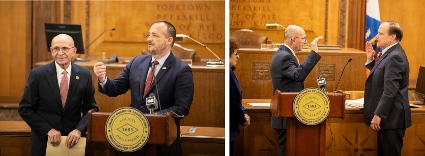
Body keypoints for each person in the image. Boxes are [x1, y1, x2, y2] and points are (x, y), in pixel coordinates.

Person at [93, 21, 194, 156]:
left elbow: (182, 108)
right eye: (148, 35)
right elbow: (116, 88)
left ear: (169, 40)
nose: (149, 39)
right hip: (132, 139)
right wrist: (102, 79)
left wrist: (152, 118)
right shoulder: (136, 62)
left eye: (155, 35)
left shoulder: (181, 70)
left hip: (162, 143)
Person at [18, 34, 99, 156]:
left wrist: (79, 130)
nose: (60, 53)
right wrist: (48, 130)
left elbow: (91, 108)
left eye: (65, 48)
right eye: (56, 49)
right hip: (44, 140)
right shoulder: (38, 74)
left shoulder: (85, 75)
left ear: (74, 51)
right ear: (51, 51)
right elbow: (25, 108)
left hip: (72, 142)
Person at [269, 25, 323, 156]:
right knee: (285, 151)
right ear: (293, 39)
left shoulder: (284, 54)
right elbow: (298, 75)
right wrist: (313, 53)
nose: (306, 42)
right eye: (303, 38)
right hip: (286, 115)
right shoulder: (284, 57)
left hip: (287, 115)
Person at [364, 21, 411, 156]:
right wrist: (370, 60)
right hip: (389, 118)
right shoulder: (389, 53)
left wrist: (378, 114)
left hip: (392, 118)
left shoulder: (395, 56)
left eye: (380, 34)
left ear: (392, 37)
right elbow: (383, 76)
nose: (376, 37)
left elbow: (390, 90)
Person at [229, 39, 250, 156]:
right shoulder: (228, 73)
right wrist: (242, 118)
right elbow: (232, 101)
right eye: (235, 54)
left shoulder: (229, 71)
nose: (238, 57)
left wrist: (243, 112)